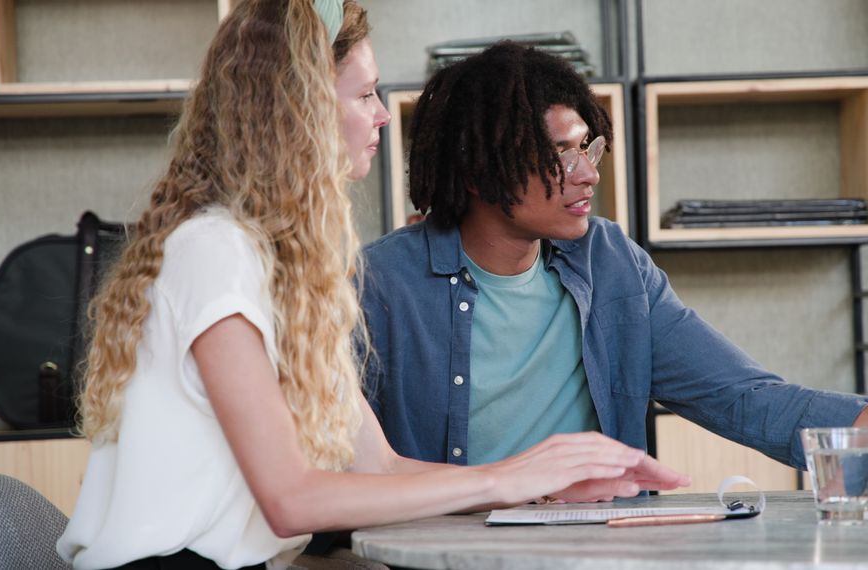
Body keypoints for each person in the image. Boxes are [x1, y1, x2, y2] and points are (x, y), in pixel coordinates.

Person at [56, 3, 688, 569]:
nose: (384, 115)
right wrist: (504, 479)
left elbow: (379, 468)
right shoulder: (213, 252)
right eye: (364, 95)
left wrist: (539, 491)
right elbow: (291, 500)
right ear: (297, 112)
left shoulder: (289, 271)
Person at [360, 42, 868, 490]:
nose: (588, 173)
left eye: (588, 148)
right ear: (479, 168)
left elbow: (756, 404)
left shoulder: (613, 264)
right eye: (560, 155)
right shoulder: (379, 286)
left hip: (598, 554)